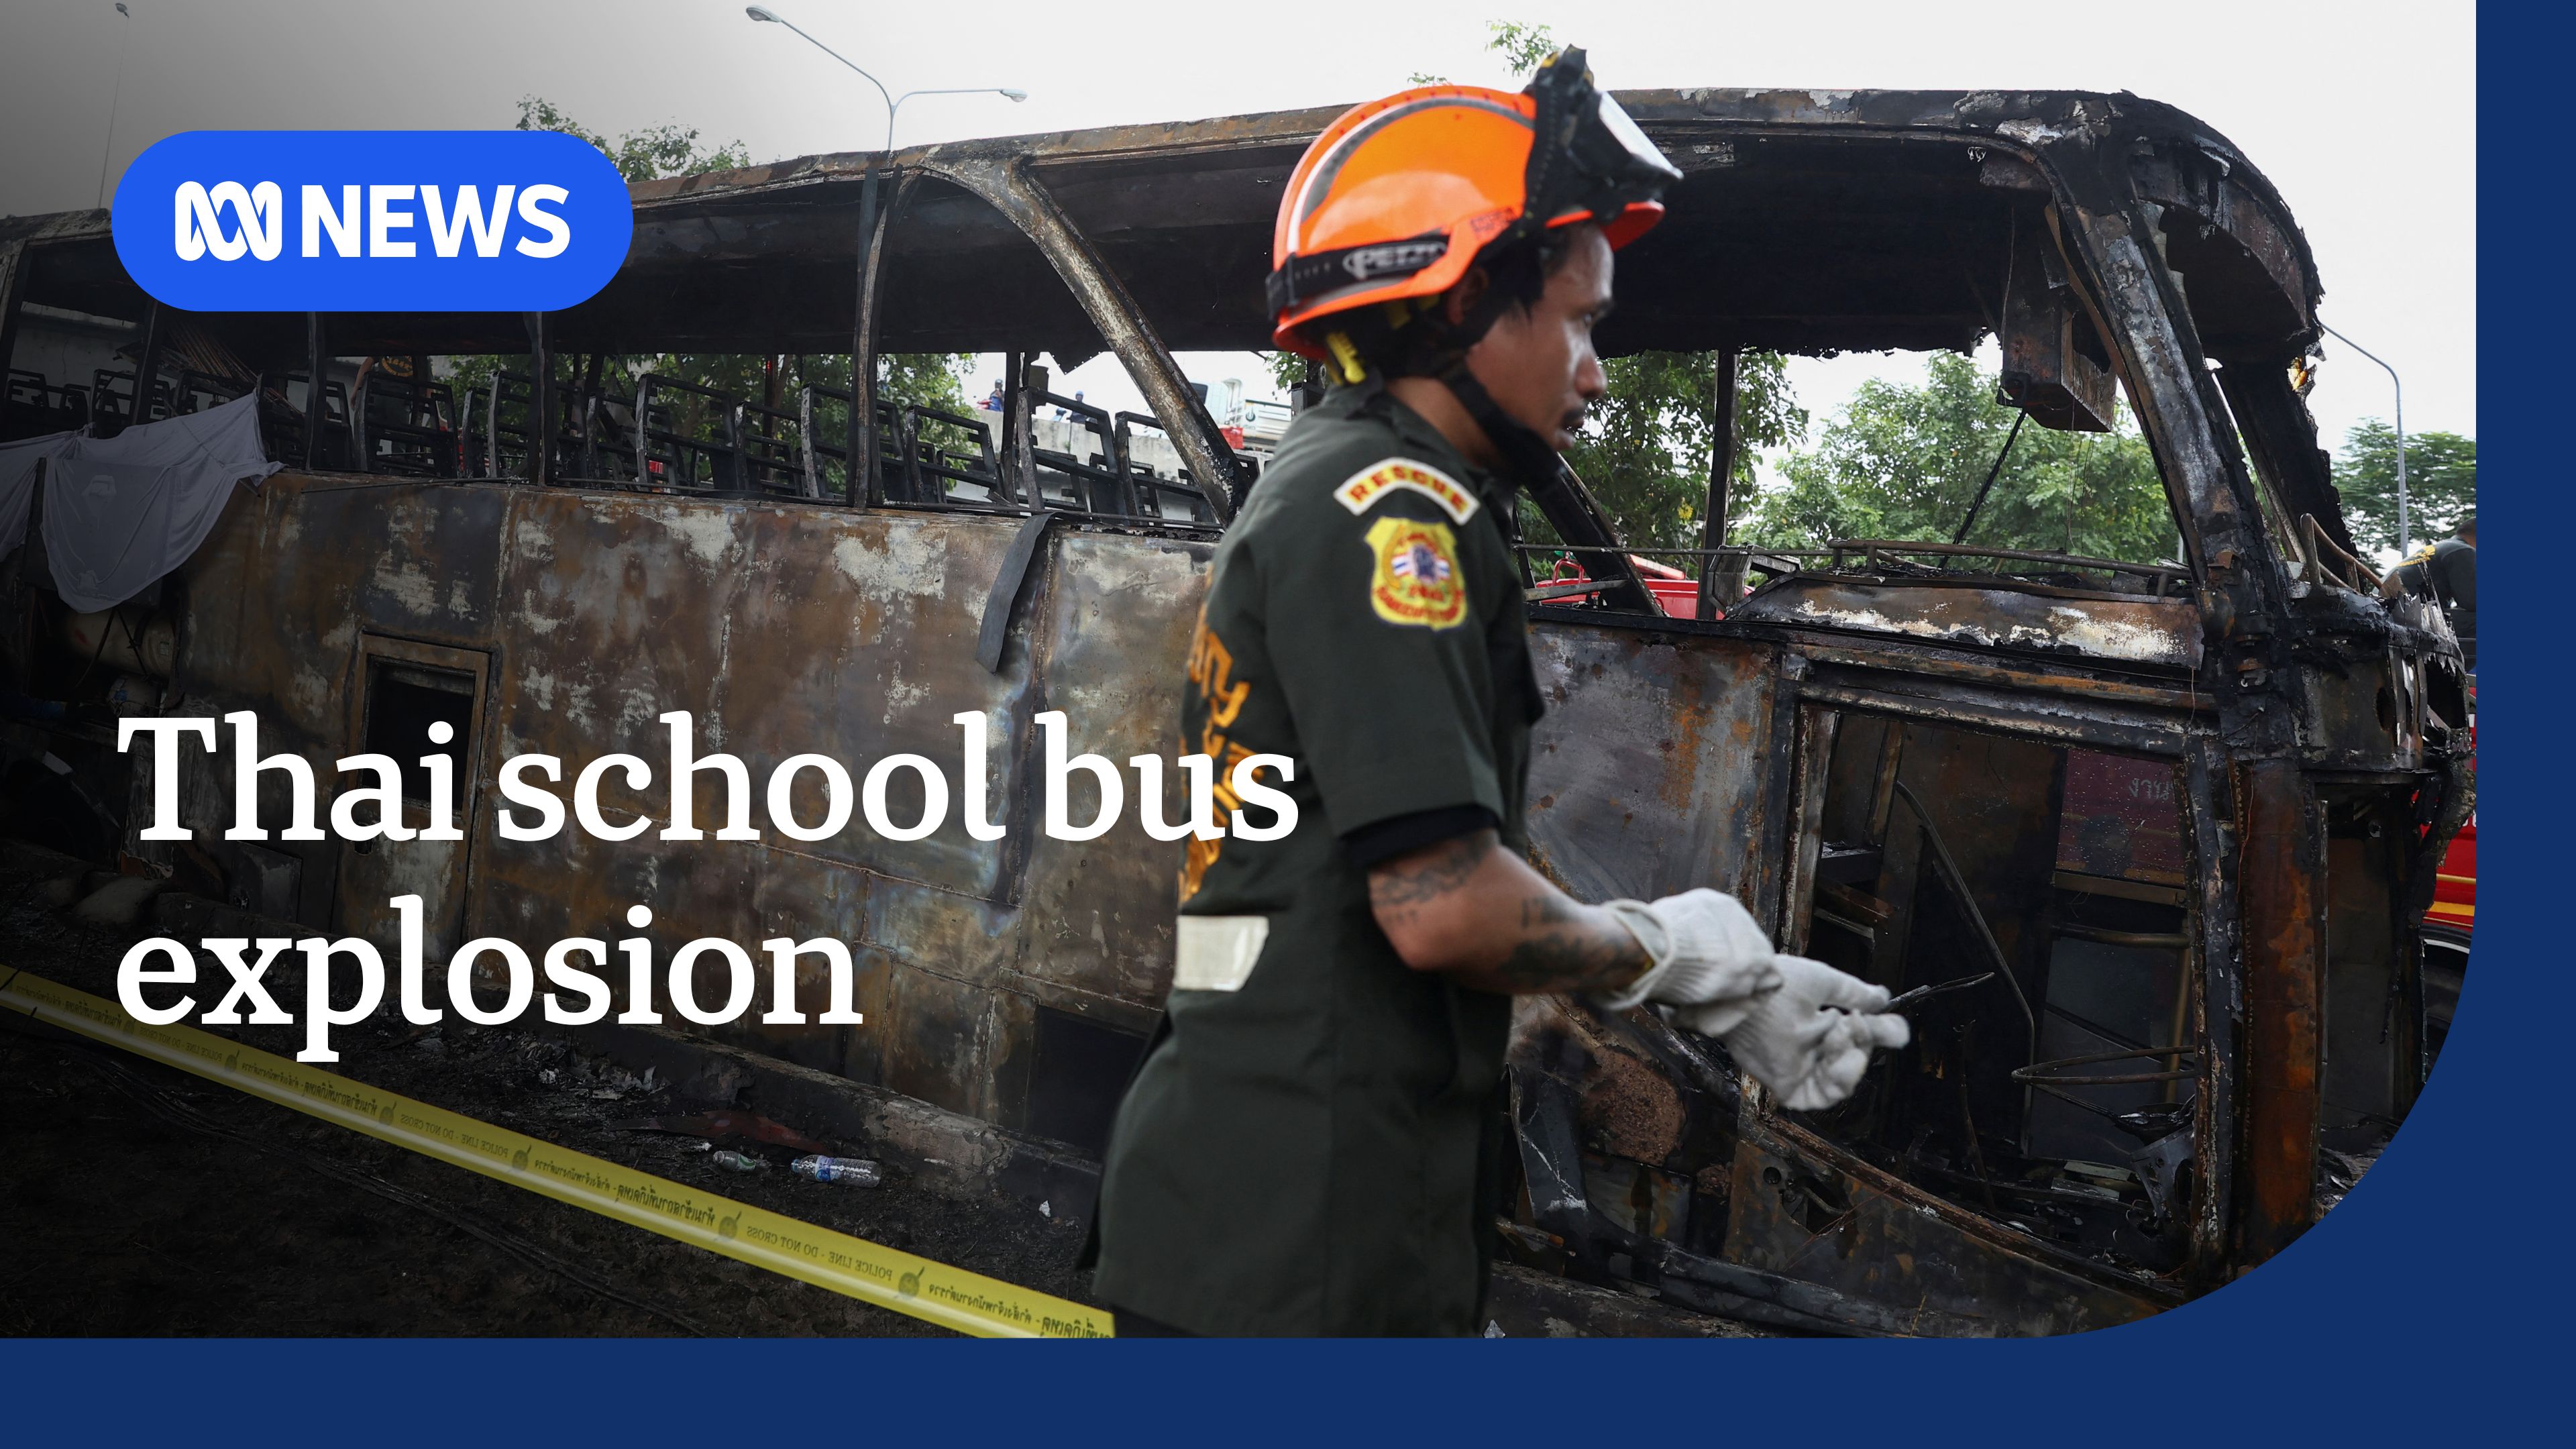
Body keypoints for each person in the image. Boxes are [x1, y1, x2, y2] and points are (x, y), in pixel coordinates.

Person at [1087, 50, 1910, 1338]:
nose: (1595, 371)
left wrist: (1715, 984)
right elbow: (1440, 910)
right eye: (1580, 320)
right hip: (1296, 1243)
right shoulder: (1389, 519)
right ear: (1466, 300)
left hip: (1292, 1208)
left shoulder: (1337, 480)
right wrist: (1677, 957)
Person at [2385, 511, 2477, 671]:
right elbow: (2472, 600)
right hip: (2406, 618)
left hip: (2392, 614)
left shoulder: (2443, 548)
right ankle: (2457, 673)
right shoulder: (2462, 550)